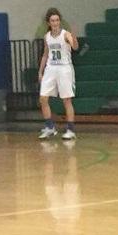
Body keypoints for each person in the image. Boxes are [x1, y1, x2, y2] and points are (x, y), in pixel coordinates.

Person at [38, 8, 79, 141]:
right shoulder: (47, 37)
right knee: (43, 98)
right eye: (52, 20)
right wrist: (41, 71)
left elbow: (75, 48)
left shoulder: (65, 34)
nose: (55, 22)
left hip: (64, 68)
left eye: (57, 20)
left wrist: (74, 37)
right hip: (51, 68)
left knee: (66, 100)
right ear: (48, 23)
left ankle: (71, 130)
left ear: (59, 21)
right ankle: (50, 127)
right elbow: (45, 55)